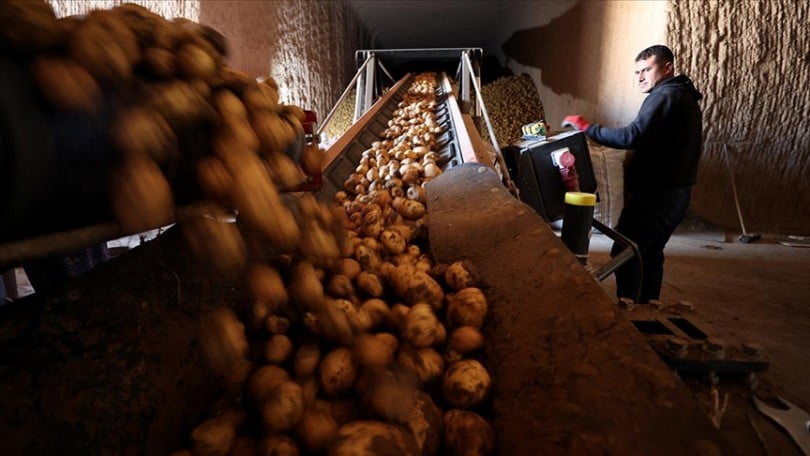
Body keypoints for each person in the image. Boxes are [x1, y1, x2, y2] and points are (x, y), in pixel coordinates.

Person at [563, 45, 703, 303]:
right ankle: (647, 310)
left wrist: (585, 126)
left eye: (646, 70)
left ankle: (629, 312)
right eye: (637, 72)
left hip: (656, 197)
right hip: (675, 196)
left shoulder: (666, 97)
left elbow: (632, 135)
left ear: (667, 67)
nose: (640, 77)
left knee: (626, 251)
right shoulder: (683, 96)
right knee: (648, 253)